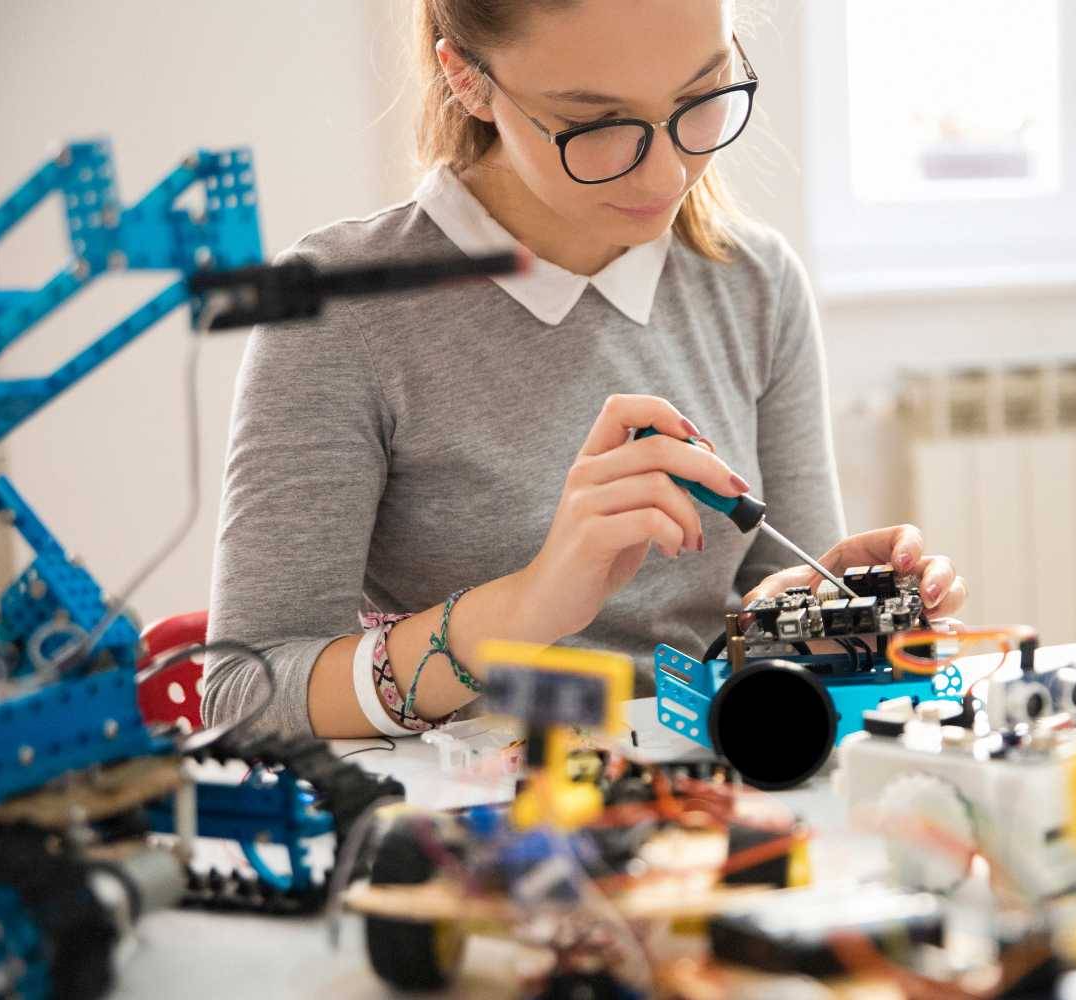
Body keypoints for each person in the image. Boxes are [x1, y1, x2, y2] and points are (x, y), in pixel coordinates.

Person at [204, 0, 966, 741]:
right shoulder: (339, 311)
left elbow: (757, 604)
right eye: (598, 124)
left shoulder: (753, 281)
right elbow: (243, 697)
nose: (667, 173)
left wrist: (820, 617)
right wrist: (526, 607)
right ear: (467, 78)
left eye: (702, 96)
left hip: (704, 799)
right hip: (482, 840)